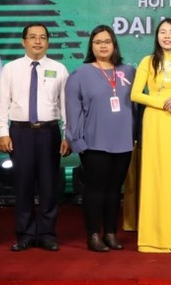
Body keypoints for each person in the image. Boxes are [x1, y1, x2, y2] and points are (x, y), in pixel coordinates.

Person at [0, 23, 70, 252]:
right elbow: (2, 102)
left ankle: (47, 234)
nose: (37, 41)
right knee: (23, 185)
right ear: (23, 41)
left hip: (49, 132)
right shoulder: (10, 69)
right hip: (20, 132)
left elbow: (65, 106)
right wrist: (3, 132)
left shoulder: (59, 69)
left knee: (49, 186)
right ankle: (26, 234)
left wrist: (67, 135)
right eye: (32, 37)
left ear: (48, 42)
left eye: (42, 37)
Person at [65, 25, 136, 252]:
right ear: (91, 46)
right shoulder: (80, 74)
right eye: (97, 42)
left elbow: (137, 106)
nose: (103, 45)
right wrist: (77, 141)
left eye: (107, 41)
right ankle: (94, 234)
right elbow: (72, 110)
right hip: (94, 143)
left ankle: (111, 234)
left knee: (115, 189)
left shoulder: (129, 71)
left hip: (124, 142)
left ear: (114, 44)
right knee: (95, 190)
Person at [131, 18, 171, 253]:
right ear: (157, 36)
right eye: (162, 32)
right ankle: (154, 237)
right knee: (156, 173)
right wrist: (162, 103)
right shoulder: (148, 62)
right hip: (155, 121)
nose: (167, 36)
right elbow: (136, 94)